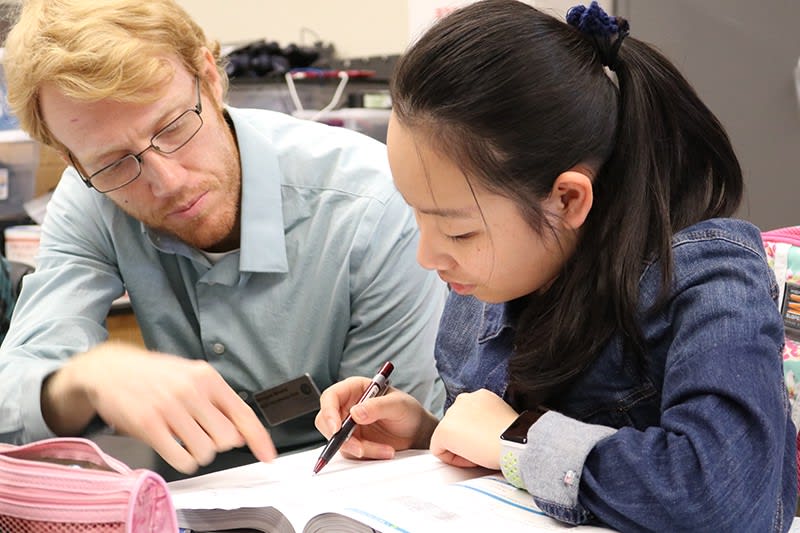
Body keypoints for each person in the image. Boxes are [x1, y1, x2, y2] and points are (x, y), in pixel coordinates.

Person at [315, 0, 798, 530]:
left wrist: (514, 440)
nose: (427, 257)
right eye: (418, 217)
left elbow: (725, 501)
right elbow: (497, 453)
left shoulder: (710, 279)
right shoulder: (486, 280)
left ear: (567, 200)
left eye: (458, 230)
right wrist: (430, 432)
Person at [0, 0, 446, 475]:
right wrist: (81, 380)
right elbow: (13, 393)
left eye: (172, 127)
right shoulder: (92, 197)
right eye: (113, 163)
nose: (167, 181)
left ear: (209, 78)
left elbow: (390, 449)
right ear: (75, 163)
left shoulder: (372, 203)